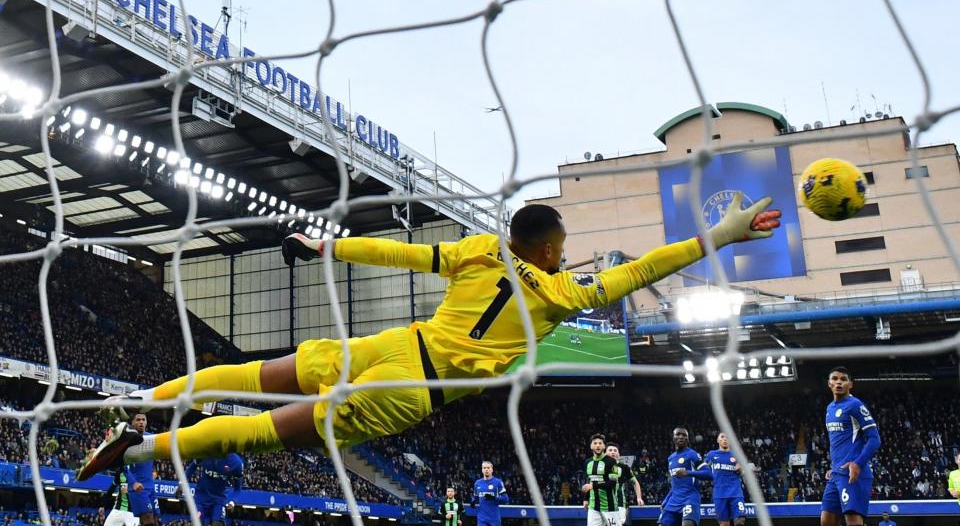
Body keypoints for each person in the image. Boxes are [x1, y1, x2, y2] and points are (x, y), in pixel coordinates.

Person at [78, 196, 781, 479]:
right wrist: (721, 233)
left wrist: (329, 247)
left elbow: (404, 254)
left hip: (387, 344)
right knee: (254, 434)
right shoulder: (563, 297)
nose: (567, 256)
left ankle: (134, 398)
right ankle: (133, 450)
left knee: (243, 373)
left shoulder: (480, 249)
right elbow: (646, 268)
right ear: (542, 248)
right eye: (561, 246)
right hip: (408, 390)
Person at [820, 367, 881, 526]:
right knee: (826, 521)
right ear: (829, 384)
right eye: (834, 378)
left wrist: (857, 463)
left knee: (852, 521)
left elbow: (874, 439)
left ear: (850, 384)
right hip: (836, 473)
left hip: (853, 473)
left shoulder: (855, 405)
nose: (839, 382)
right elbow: (839, 442)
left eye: (843, 379)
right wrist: (834, 467)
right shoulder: (829, 409)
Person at [661, 427, 710, 526]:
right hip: (674, 500)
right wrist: (666, 499)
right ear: (673, 437)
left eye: (684, 435)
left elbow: (709, 474)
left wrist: (688, 472)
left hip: (690, 498)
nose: (681, 437)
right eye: (678, 434)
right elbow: (675, 484)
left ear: (688, 439)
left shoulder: (692, 455)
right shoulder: (671, 458)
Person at [184, 454, 244, 526]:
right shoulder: (206, 453)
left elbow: (237, 488)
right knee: (196, 523)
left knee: (217, 524)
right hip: (201, 498)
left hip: (219, 500)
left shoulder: (236, 463)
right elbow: (193, 466)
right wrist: (182, 482)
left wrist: (232, 501)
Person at [703, 433, 745, 526]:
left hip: (736, 492)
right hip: (720, 493)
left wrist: (741, 469)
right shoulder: (711, 455)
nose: (725, 439)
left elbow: (743, 473)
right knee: (724, 524)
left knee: (740, 521)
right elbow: (703, 469)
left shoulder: (736, 455)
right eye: (722, 437)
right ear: (718, 440)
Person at [126, 413, 159, 526]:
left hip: (150, 487)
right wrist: (133, 482)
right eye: (138, 420)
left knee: (154, 520)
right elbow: (122, 465)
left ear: (146, 422)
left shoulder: (151, 438)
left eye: (143, 419)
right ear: (133, 423)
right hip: (138, 487)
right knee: (148, 519)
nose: (141, 422)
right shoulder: (127, 441)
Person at [581, 434, 621, 526]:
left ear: (604, 446)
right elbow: (589, 481)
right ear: (591, 446)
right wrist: (586, 499)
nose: (598, 445)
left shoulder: (611, 461)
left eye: (600, 443)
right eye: (595, 443)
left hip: (609, 506)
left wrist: (592, 486)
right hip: (593, 506)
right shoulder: (588, 462)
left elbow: (612, 483)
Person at [606, 441, 643, 525]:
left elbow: (635, 482)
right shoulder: (599, 466)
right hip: (602, 502)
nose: (613, 452)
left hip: (619, 503)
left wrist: (639, 498)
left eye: (615, 450)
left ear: (618, 454)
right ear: (605, 453)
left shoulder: (624, 467)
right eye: (610, 450)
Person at [472, 461, 507, 526]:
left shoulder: (498, 482)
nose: (486, 470)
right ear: (482, 470)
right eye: (484, 468)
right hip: (481, 518)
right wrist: (473, 501)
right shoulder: (477, 483)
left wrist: (494, 497)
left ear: (492, 470)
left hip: (494, 518)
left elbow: (505, 499)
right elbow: (475, 497)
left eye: (488, 468)